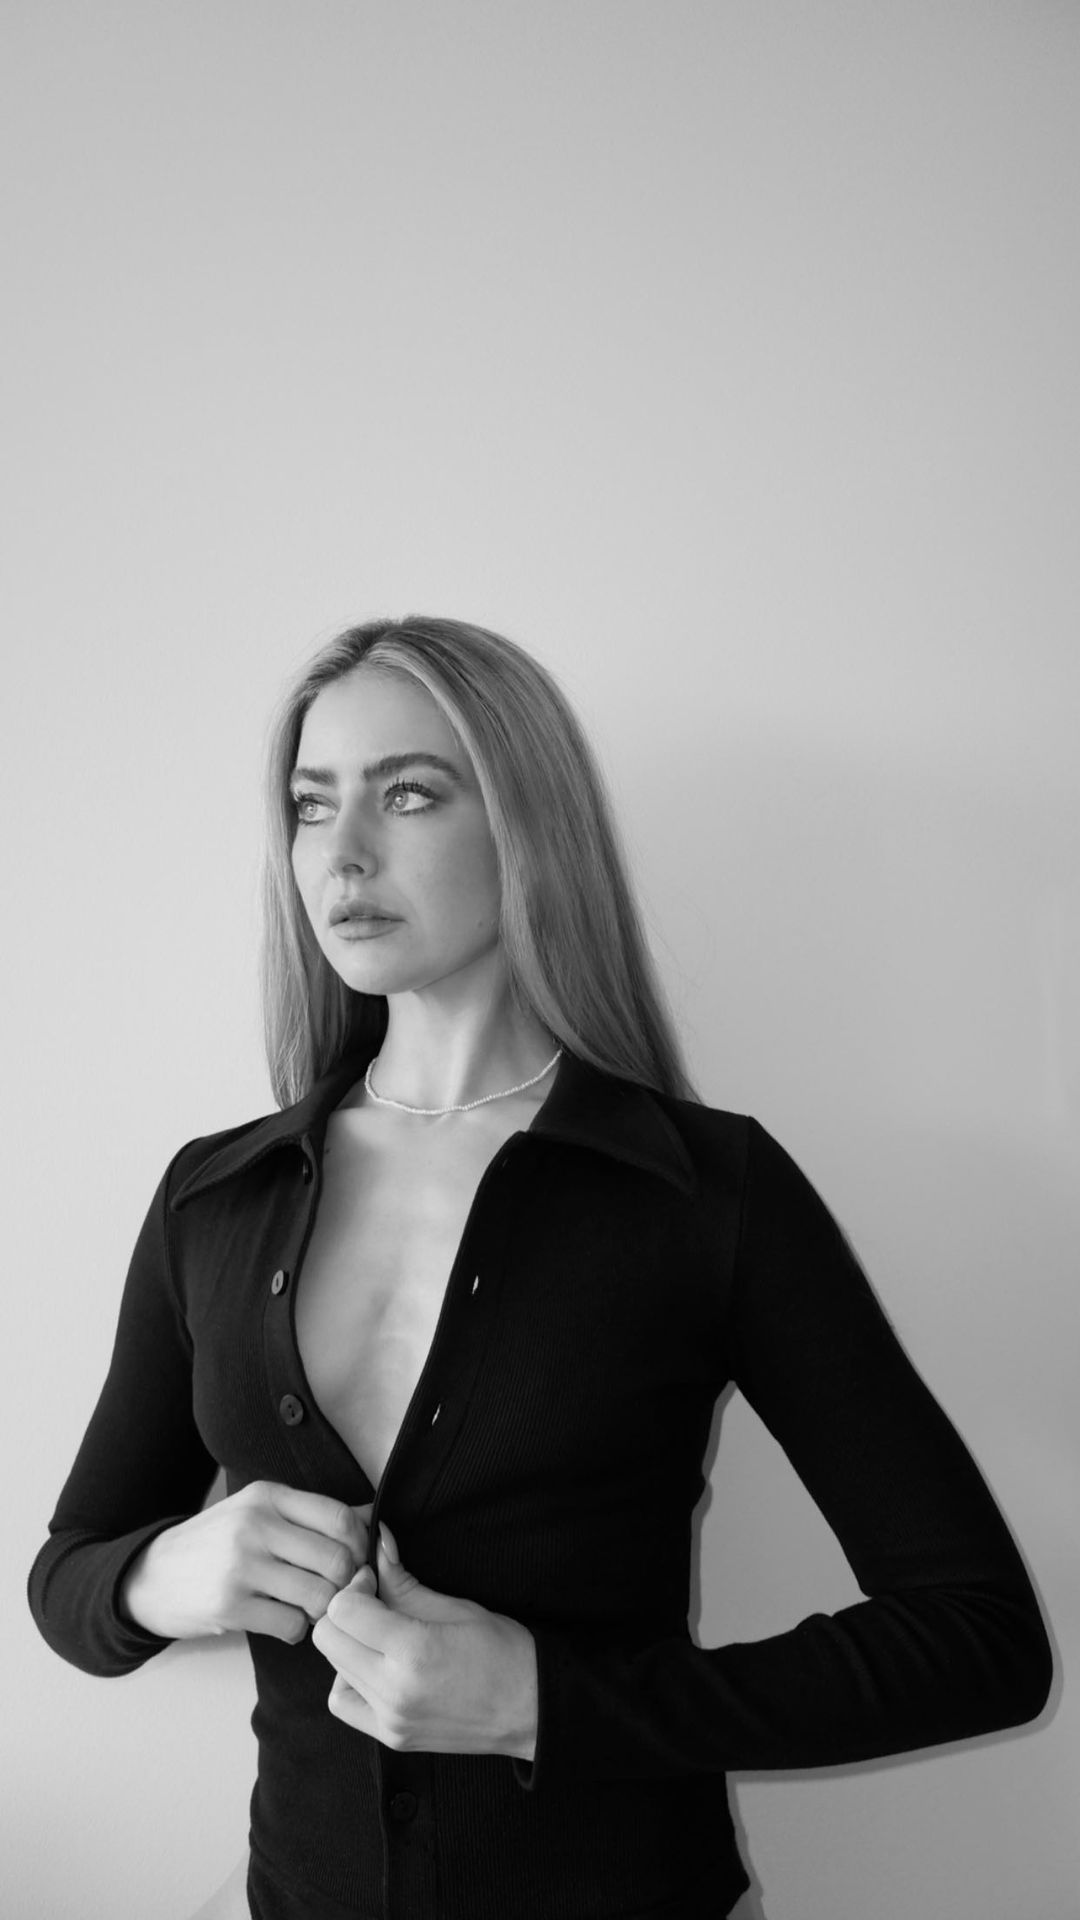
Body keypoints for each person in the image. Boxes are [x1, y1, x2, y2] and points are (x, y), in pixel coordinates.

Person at [28, 615, 1052, 1920]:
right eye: (309, 806)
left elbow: (977, 1638)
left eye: (408, 794)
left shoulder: (701, 1191)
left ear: (526, 824)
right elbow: (69, 1579)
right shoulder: (214, 1197)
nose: (342, 854)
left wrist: (544, 1703)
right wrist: (165, 1576)